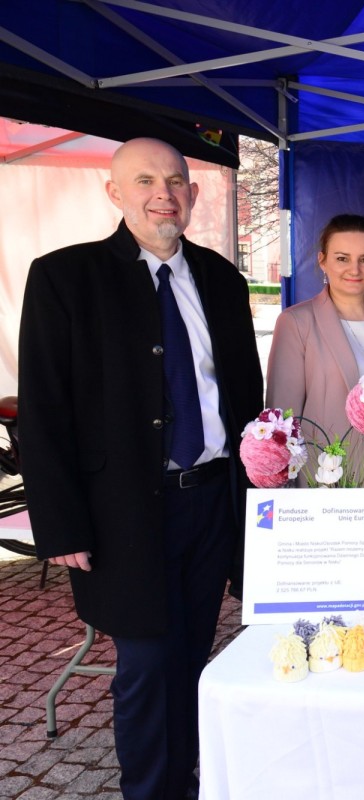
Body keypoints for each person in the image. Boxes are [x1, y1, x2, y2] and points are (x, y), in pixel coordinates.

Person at [18, 137, 263, 800]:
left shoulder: (222, 280)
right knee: (148, 665)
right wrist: (61, 524)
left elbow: (244, 396)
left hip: (211, 502)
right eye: (146, 180)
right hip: (123, 513)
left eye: (176, 180)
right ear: (115, 193)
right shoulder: (65, 277)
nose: (164, 194)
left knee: (191, 658)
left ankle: (185, 781)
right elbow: (43, 409)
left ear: (194, 193)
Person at [266, 214, 364, 486]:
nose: (354, 270)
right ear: (323, 261)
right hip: (332, 474)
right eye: (342, 258)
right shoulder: (296, 322)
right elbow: (283, 417)